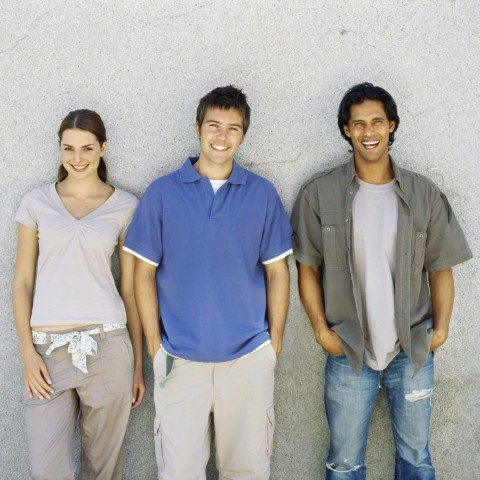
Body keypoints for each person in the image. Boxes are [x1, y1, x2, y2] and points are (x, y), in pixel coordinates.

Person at [291, 83, 472, 479]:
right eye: (358, 123)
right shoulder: (319, 194)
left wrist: (440, 330)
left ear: (391, 126)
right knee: (343, 465)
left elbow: (442, 267)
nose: (368, 131)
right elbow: (308, 267)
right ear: (346, 130)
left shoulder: (423, 194)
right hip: (349, 351)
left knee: (416, 462)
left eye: (377, 121)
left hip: (412, 352)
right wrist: (322, 331)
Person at [123, 85, 292, 479]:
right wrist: (155, 345)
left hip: (249, 356)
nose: (222, 136)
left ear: (243, 135)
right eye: (213, 125)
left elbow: (277, 271)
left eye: (233, 128)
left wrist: (274, 342)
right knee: (179, 471)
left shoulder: (262, 194)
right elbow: (142, 273)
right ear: (198, 128)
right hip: (179, 359)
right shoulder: (162, 193)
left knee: (247, 470)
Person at [13, 109, 146, 479]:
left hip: (108, 347)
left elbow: (131, 290)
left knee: (103, 470)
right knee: (47, 470)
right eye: (68, 148)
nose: (77, 158)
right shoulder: (36, 203)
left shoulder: (126, 206)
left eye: (87, 148)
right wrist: (27, 352)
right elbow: (23, 281)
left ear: (103, 148)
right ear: (59, 150)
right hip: (47, 351)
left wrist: (137, 363)